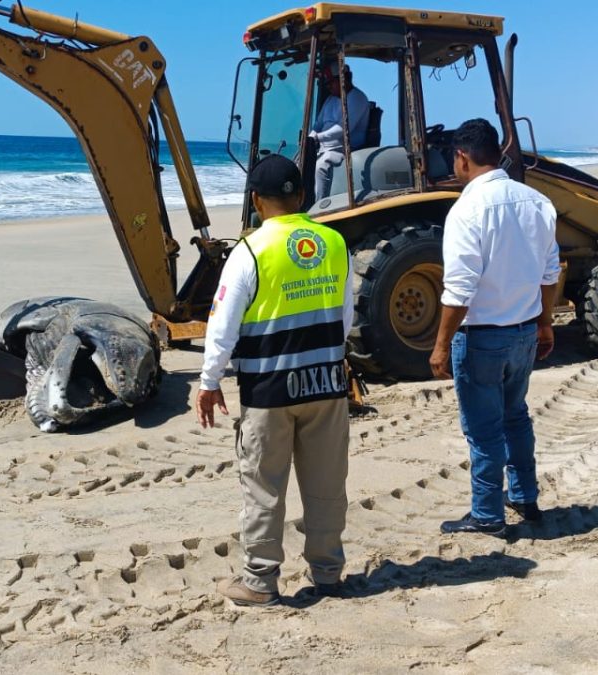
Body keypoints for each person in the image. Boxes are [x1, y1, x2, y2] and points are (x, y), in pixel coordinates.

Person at [196, 154, 354, 606]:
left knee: (264, 486)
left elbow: (222, 325)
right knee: (327, 483)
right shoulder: (334, 242)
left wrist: (209, 383)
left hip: (269, 390)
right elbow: (343, 319)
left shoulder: (249, 251)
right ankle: (328, 573)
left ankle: (260, 581)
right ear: (300, 196)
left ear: (255, 201)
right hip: (326, 383)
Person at [429, 119, 560, 537]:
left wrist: (440, 345)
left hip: (483, 335)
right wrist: (544, 323)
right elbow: (550, 273)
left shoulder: (466, 210)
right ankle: (524, 496)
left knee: (484, 429)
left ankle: (487, 513)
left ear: (462, 158)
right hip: (523, 330)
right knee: (516, 417)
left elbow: (459, 289)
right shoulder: (537, 202)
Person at [309, 62, 370, 200]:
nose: (328, 86)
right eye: (327, 83)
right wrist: (310, 137)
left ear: (344, 79)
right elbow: (318, 124)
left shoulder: (357, 98)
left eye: (331, 82)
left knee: (320, 167)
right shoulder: (330, 99)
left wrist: (317, 138)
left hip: (345, 150)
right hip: (323, 147)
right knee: (298, 164)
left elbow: (343, 129)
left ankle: (318, 208)